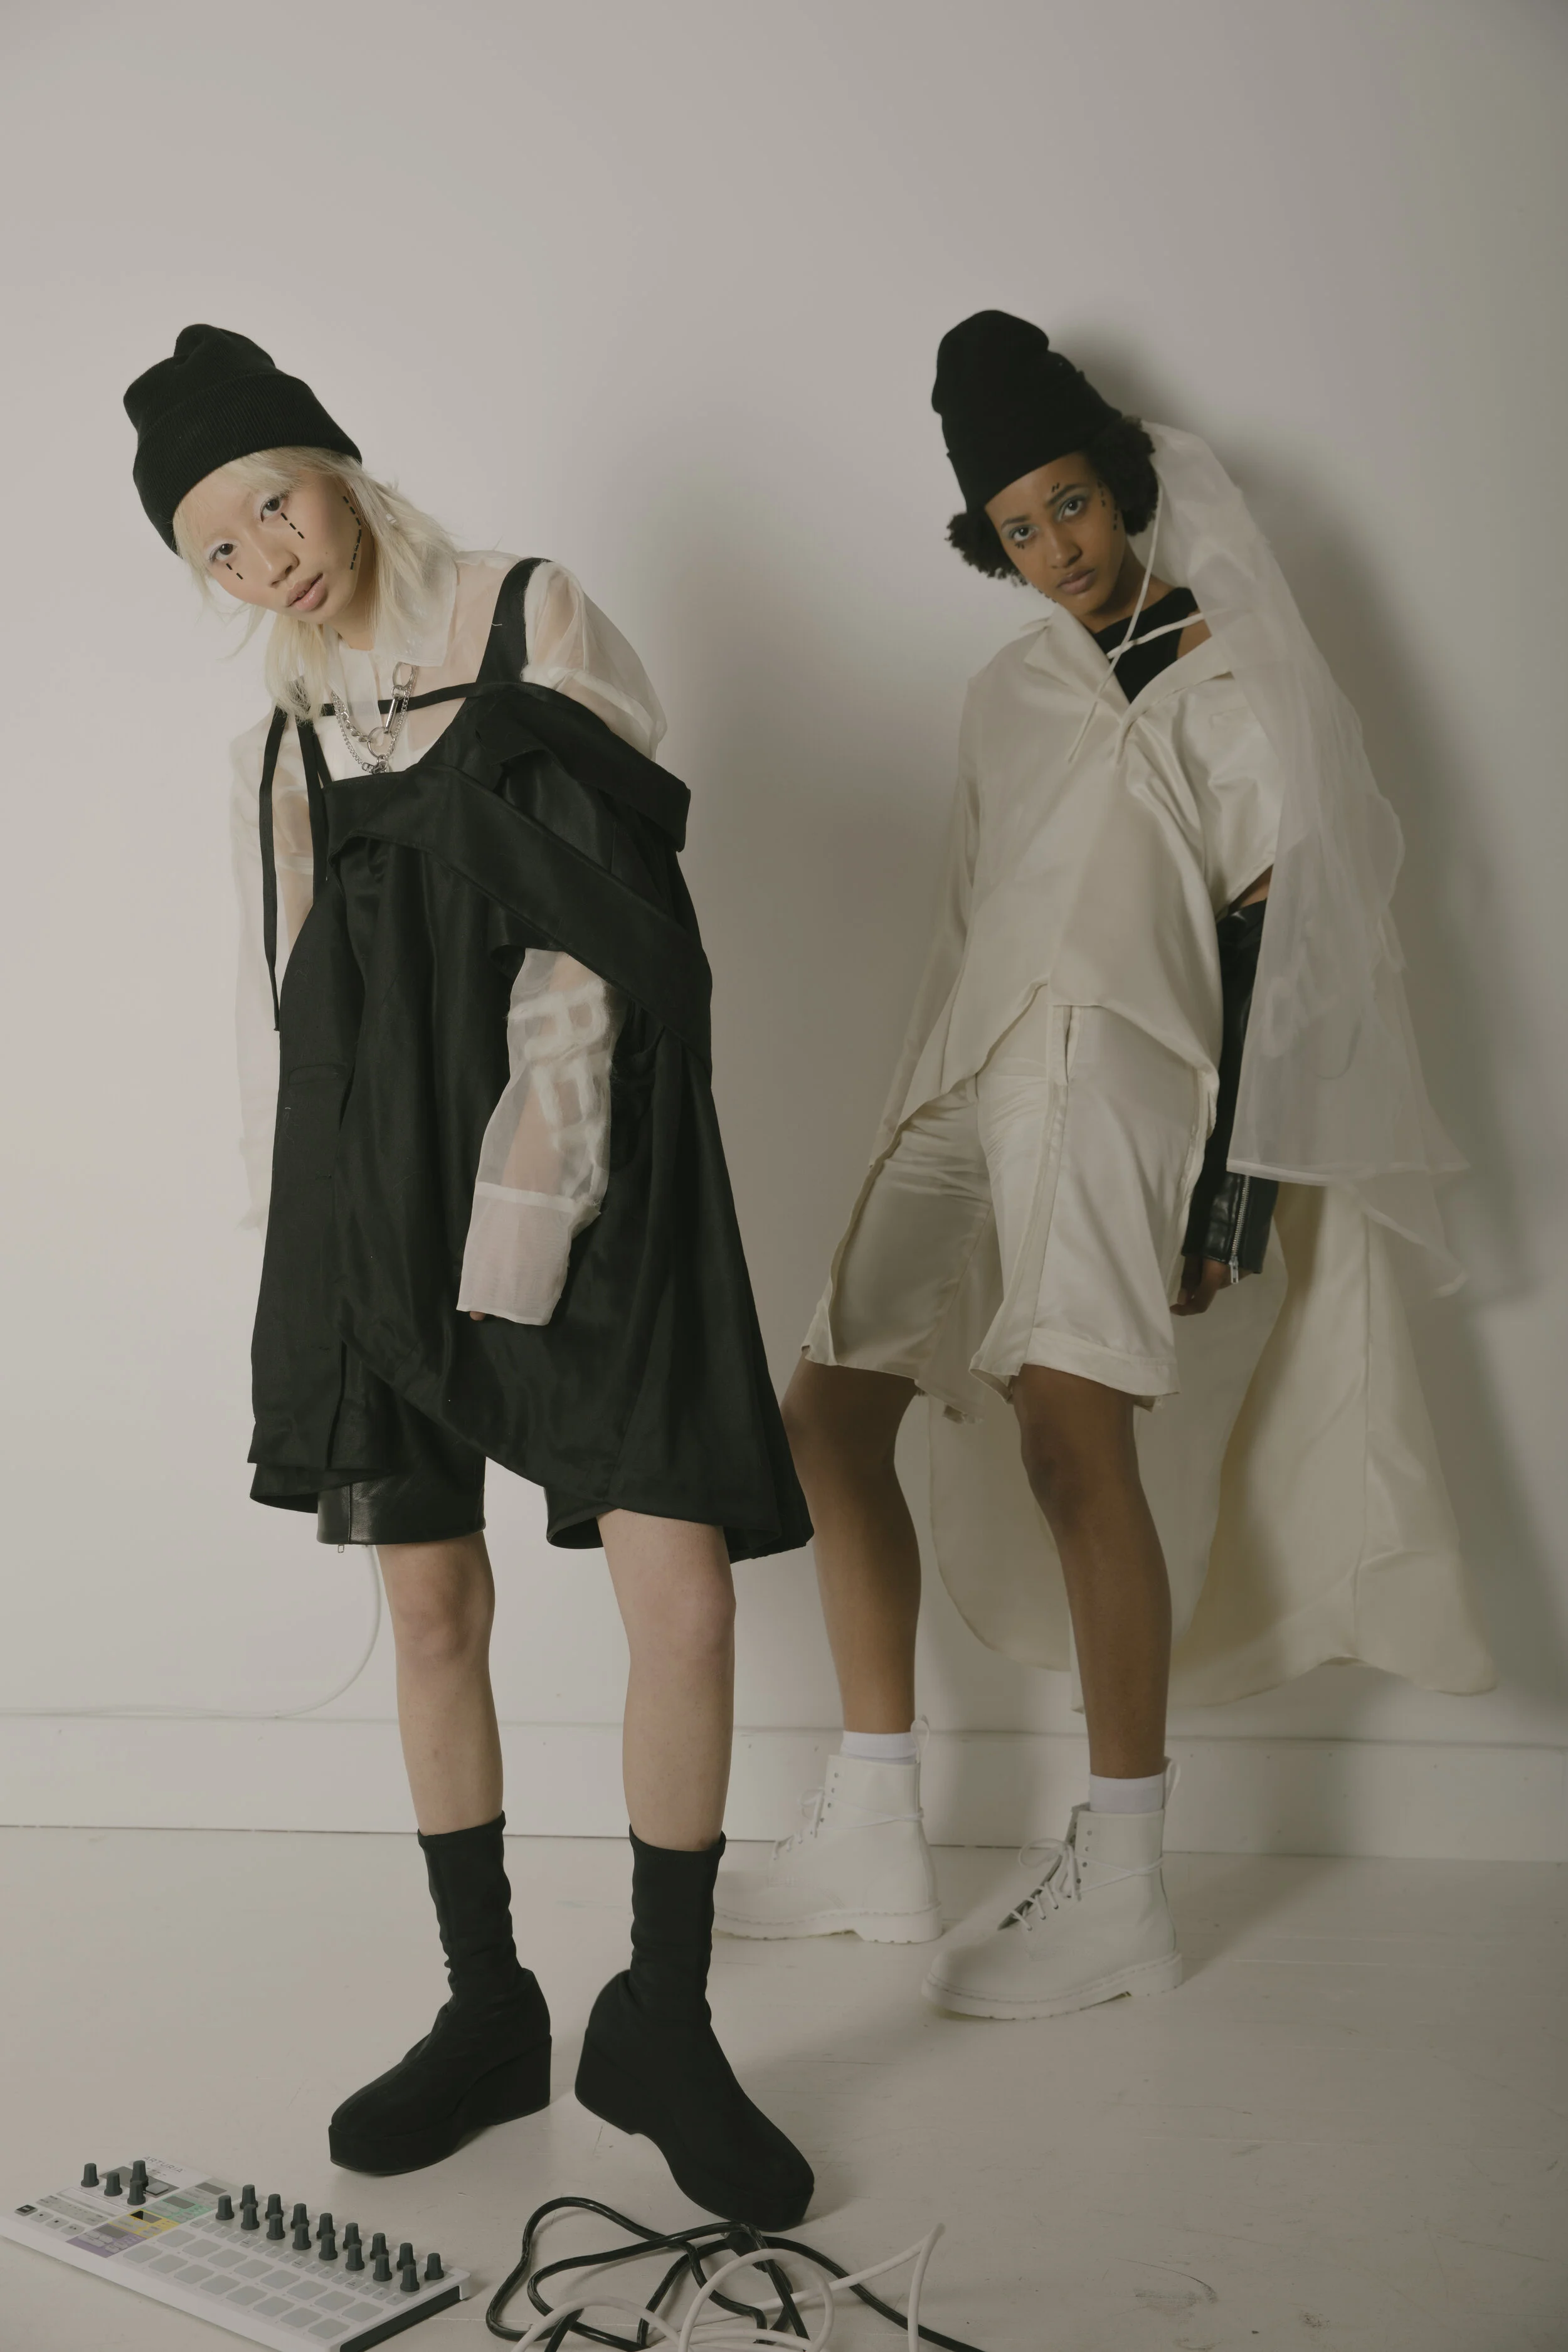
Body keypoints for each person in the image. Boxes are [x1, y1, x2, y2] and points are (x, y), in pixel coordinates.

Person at [716, 310, 1493, 2018]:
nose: (1055, 547)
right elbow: (967, 911)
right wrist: (912, 1105)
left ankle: (1126, 1879)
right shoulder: (1008, 693)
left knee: (1072, 1438)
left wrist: (1234, 1191)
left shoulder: (1236, 666)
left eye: (1069, 503)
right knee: (828, 1409)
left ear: (1118, 487)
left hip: (1124, 1067)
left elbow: (1283, 945)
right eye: (1017, 528)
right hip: (970, 1061)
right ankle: (874, 1826)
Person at [122, 325, 813, 2226]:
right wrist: (299, 1243)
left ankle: (661, 2020)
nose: (266, 559)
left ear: (335, 466)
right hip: (373, 1192)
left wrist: (533, 1194)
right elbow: (287, 1007)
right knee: (430, 1607)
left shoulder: (528, 616)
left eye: (274, 502)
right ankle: (489, 2008)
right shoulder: (284, 735)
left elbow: (600, 934)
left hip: (582, 1172)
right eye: (218, 550)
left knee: (679, 1594)